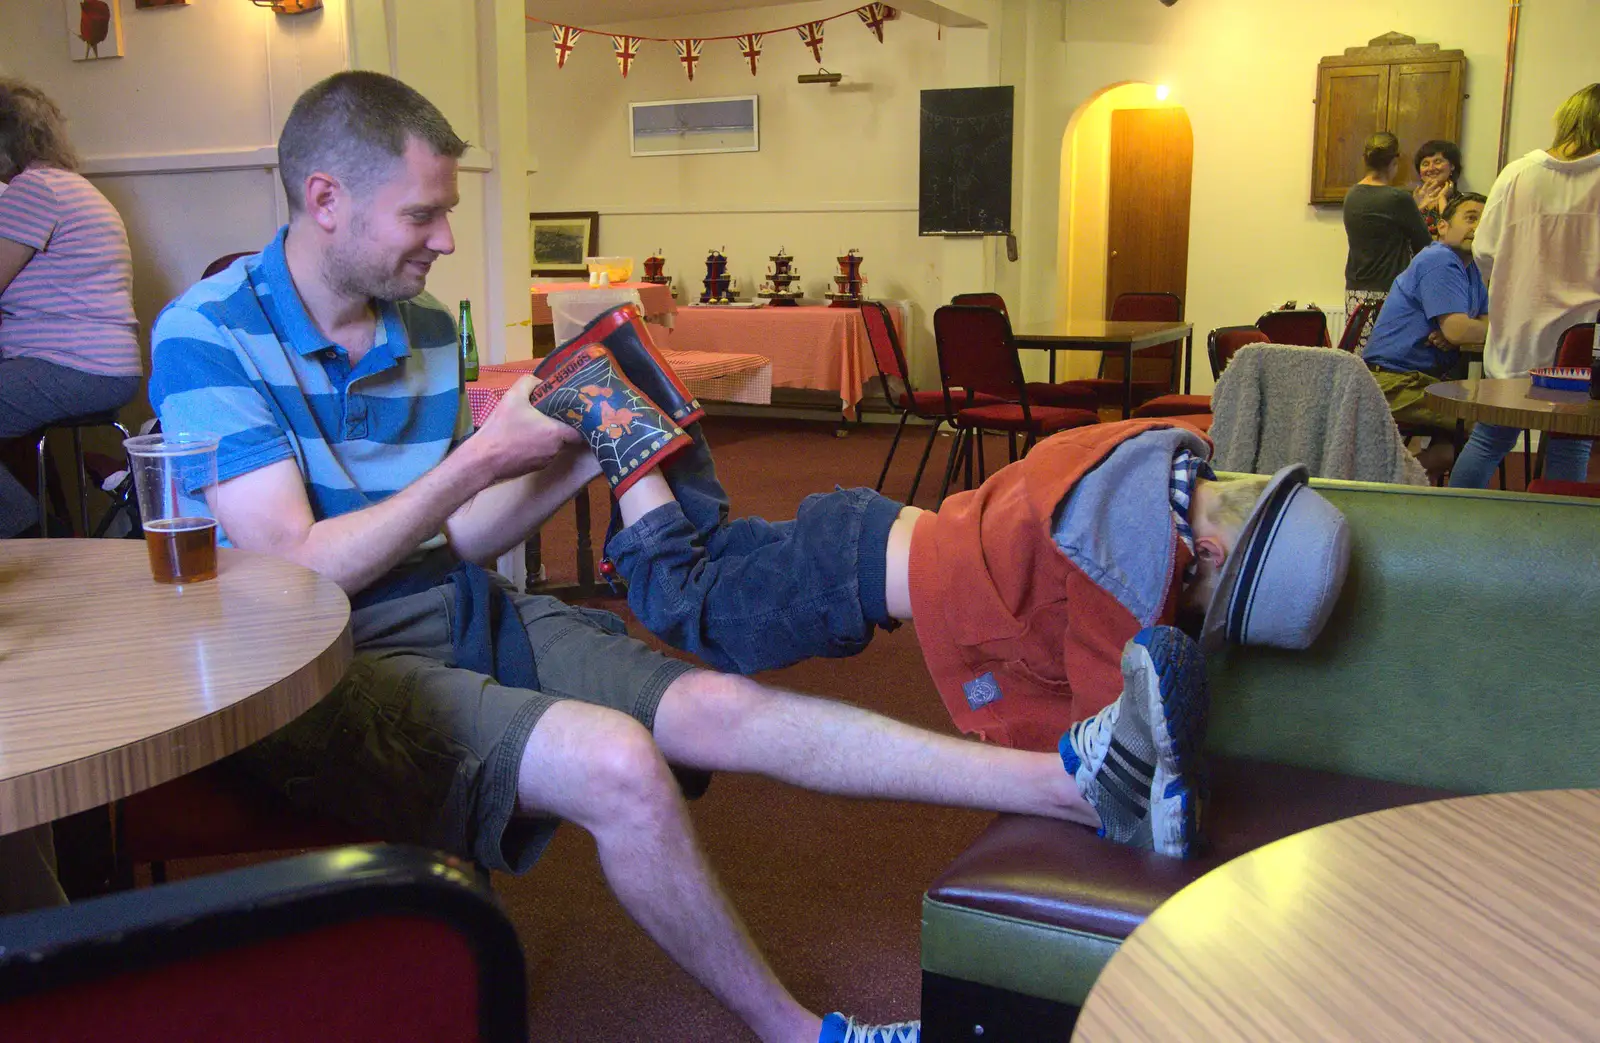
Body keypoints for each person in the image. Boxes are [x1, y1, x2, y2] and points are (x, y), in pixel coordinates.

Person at [146, 72, 1204, 1043]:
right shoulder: (206, 334)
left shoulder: (418, 325)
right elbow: (301, 569)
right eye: (422, 215)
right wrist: (479, 460)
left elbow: (453, 540)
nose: (443, 240)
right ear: (323, 198)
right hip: (319, 661)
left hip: (449, 600)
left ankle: (1070, 782)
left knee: (719, 704)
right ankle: (802, 1033)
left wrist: (589, 445)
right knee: (620, 764)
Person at [545, 307, 1349, 763]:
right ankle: (605, 407)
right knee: (687, 604)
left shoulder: (1136, 452)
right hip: (846, 577)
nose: (1187, 609)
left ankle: (626, 360)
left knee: (709, 552)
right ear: (1204, 553)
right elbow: (1099, 740)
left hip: (869, 528)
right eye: (1206, 599)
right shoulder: (1127, 572)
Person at [0, 77, 140, 538]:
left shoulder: (32, 191)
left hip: (70, 366)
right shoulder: (73, 188)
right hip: (100, 366)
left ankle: (40, 542)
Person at [1450, 83, 1600, 489]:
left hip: (1517, 332)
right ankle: (1552, 538)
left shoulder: (1517, 173)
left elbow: (1484, 251)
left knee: (1489, 438)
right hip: (1582, 341)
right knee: (1571, 446)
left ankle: (1452, 524)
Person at [1361, 193, 1489, 478]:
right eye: (1471, 218)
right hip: (1390, 382)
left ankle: (1405, 478)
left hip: (1421, 381)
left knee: (1470, 432)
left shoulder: (1472, 268)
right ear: (1442, 227)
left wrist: (1462, 328)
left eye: (1486, 220)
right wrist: (1458, 329)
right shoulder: (1440, 259)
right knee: (1485, 424)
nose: (1478, 227)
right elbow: (1459, 330)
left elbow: (1482, 321)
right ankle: (1397, 480)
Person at [1343, 131, 1433, 355]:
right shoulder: (1397, 198)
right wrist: (1418, 209)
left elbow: (1384, 226)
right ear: (1395, 162)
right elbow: (1425, 244)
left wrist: (1414, 209)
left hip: (1356, 292)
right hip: (1388, 292)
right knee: (1387, 364)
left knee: (1361, 363)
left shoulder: (1352, 195)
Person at [1412, 139, 1465, 238]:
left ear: (1452, 166)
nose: (1431, 168)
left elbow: (1454, 237)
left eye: (1437, 161)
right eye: (1425, 164)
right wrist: (1417, 208)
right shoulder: (1412, 199)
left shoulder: (1463, 202)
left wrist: (1442, 200)